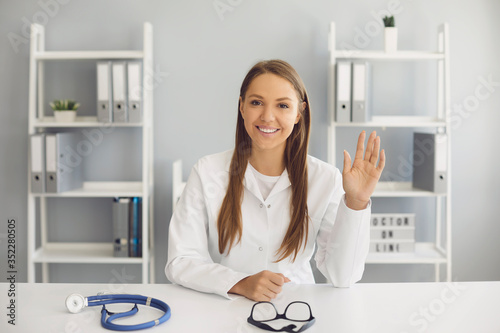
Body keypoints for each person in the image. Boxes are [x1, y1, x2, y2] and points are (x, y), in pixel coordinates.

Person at [165, 59, 385, 302]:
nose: (268, 116)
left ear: (299, 113)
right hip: (225, 309)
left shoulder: (325, 178)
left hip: (297, 311)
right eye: (256, 102)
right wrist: (239, 283)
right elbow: (181, 260)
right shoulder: (208, 172)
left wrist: (355, 203)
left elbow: (343, 276)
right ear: (241, 107)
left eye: (282, 105)